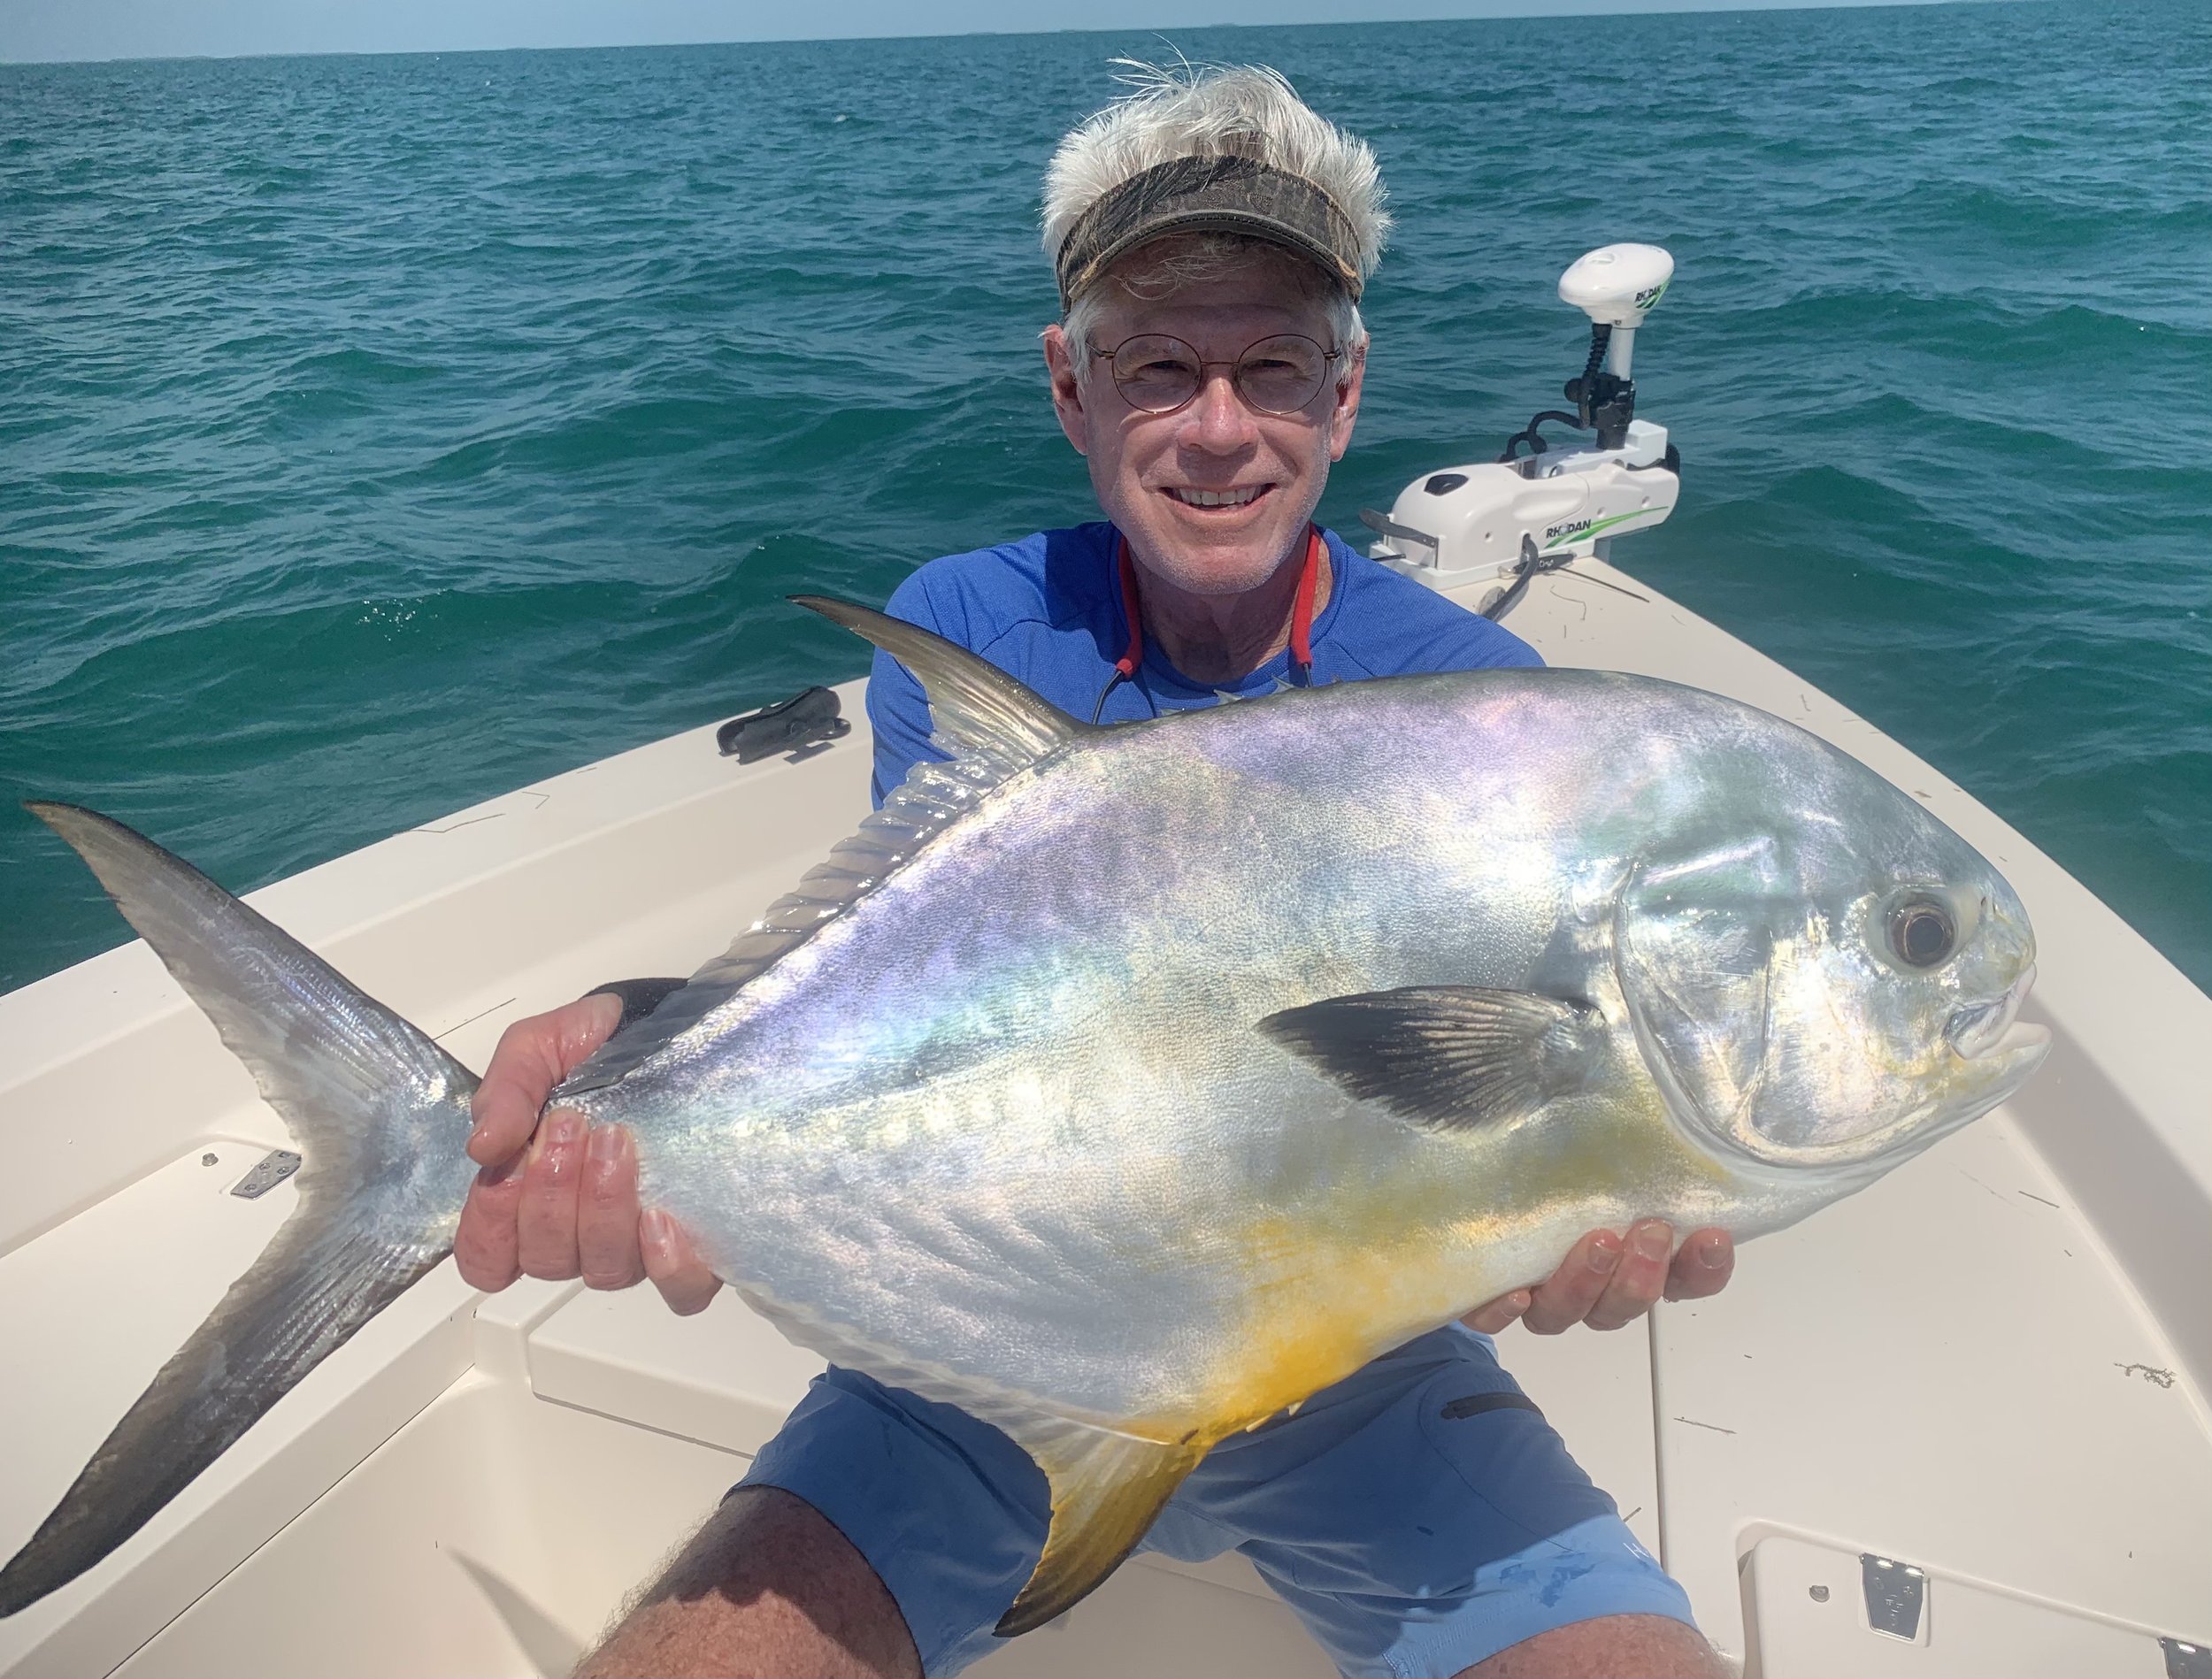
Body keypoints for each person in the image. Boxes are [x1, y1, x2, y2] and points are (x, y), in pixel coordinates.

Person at [455, 65, 1735, 1679]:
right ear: (1070, 387)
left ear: (1346, 394)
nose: (1219, 428)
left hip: (1362, 1375)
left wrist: (1564, 1190)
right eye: (1158, 368)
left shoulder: (1468, 707)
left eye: (1272, 364)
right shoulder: (975, 631)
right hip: (985, 1350)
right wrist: (641, 1039)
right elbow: (914, 1006)